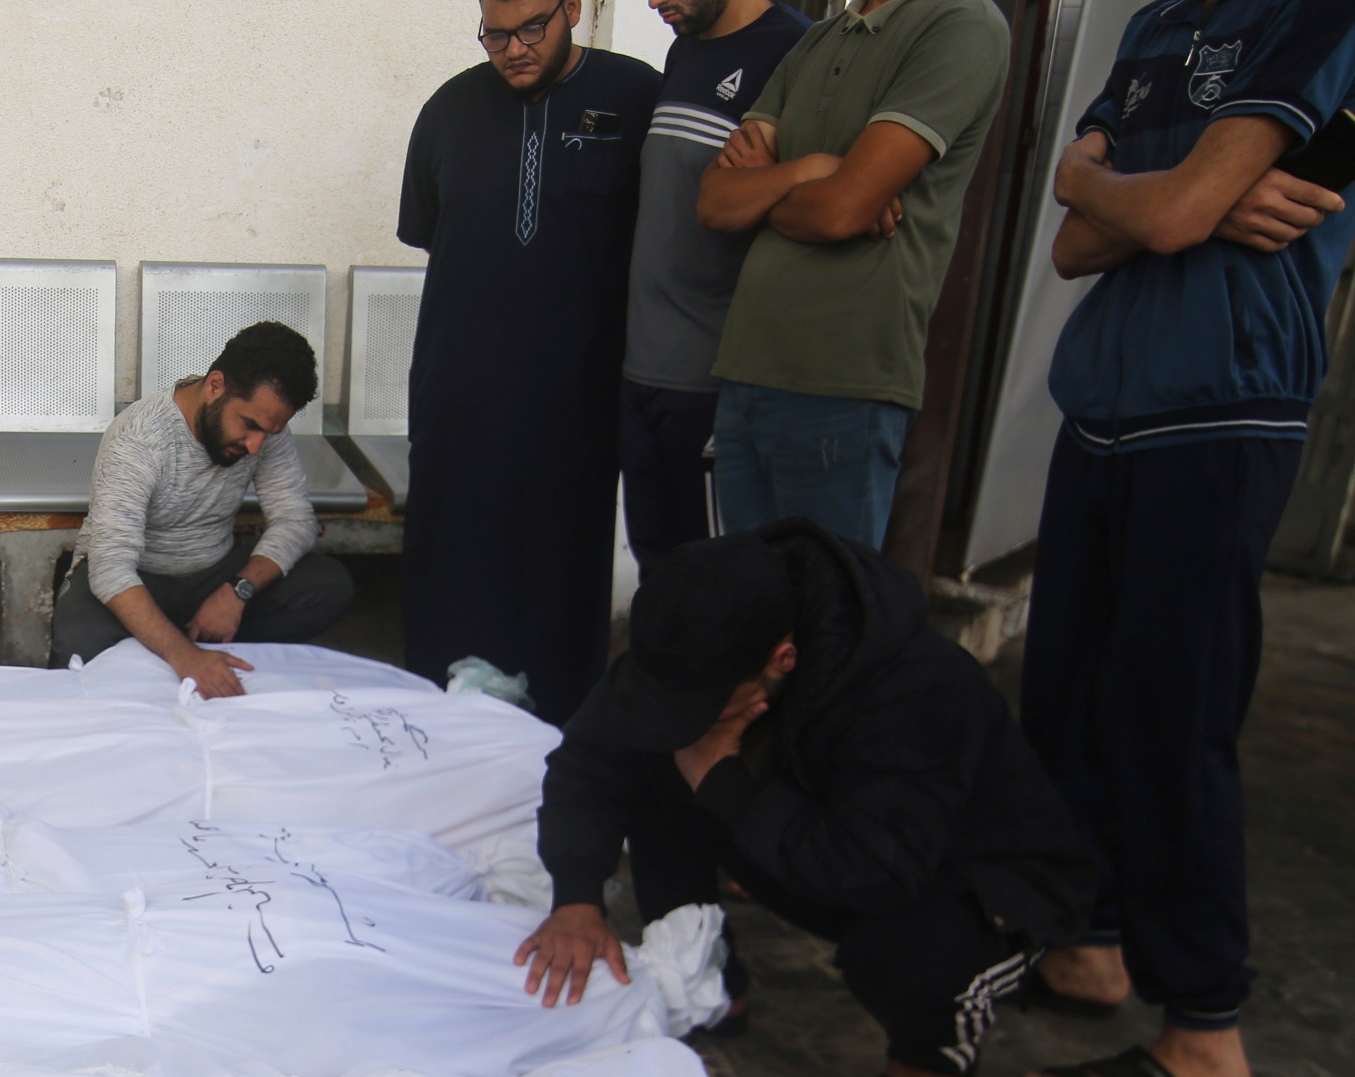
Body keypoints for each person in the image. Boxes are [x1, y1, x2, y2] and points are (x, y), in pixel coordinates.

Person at [1014, 1, 1355, 1077]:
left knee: (1171, 720)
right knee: (1065, 698)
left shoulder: (1315, 20)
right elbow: (1079, 246)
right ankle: (1089, 947)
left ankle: (1205, 1037)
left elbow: (1157, 219)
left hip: (1222, 411)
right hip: (1105, 406)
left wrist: (1107, 185)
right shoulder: (1159, 23)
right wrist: (1158, 202)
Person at [520, 524, 1095, 1077]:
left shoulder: (917, 687)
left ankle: (929, 1060)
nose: (687, 716)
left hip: (975, 878)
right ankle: (709, 972)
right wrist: (577, 897)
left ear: (782, 659)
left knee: (901, 953)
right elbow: (590, 761)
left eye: (706, 703)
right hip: (830, 837)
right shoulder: (700, 629)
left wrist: (721, 780)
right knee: (661, 758)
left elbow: (877, 873)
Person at [400, 0, 660, 723]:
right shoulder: (448, 110)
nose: (512, 48)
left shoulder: (635, 97)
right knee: (449, 561)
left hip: (576, 397)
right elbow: (431, 230)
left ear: (573, 8)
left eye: (531, 29)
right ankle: (432, 726)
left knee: (560, 566)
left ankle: (555, 742)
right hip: (460, 390)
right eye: (494, 33)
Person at [695, 0, 1009, 548]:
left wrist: (774, 185)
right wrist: (813, 170)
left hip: (842, 378)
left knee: (828, 615)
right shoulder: (820, 38)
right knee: (751, 615)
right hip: (747, 367)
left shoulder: (961, 22)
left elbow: (843, 211)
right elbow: (716, 201)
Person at [49, 320, 353, 696]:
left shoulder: (264, 428)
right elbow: (111, 567)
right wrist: (187, 658)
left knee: (327, 585)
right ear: (214, 386)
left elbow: (295, 520)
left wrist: (236, 591)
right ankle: (189, 649)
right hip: (138, 576)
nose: (256, 446)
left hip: (214, 573)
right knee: (77, 644)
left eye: (268, 433)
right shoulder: (140, 437)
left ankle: (194, 646)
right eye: (249, 426)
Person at [619, 0, 809, 578]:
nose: (652, 2)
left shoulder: (796, 51)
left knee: (719, 581)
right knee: (660, 570)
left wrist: (798, 174)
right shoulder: (686, 48)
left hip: (712, 381)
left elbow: (813, 203)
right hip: (640, 370)